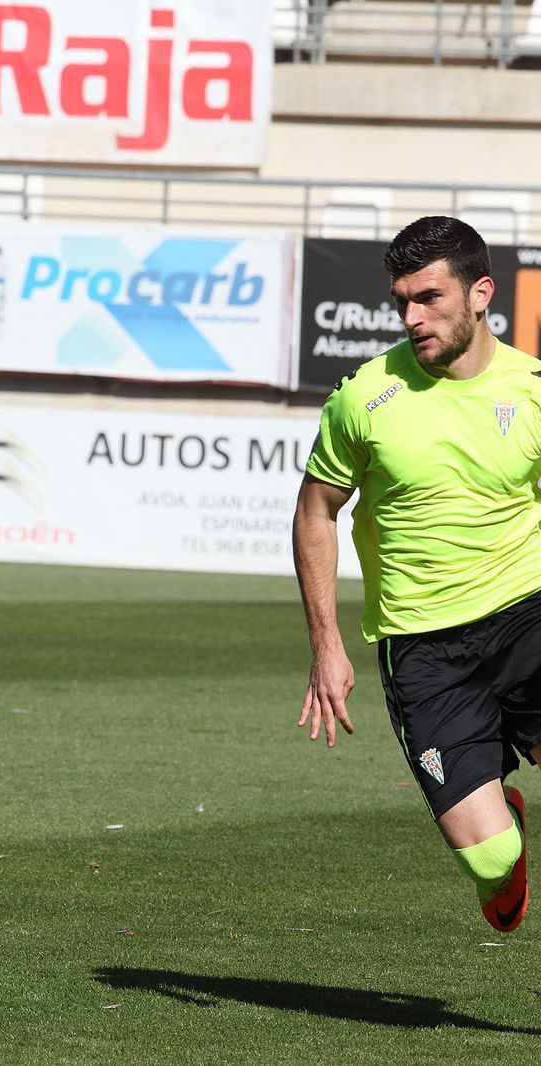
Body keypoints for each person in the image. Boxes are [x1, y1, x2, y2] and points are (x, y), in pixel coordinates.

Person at [296, 215, 541, 935]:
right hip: (425, 649)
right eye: (401, 299)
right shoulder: (362, 399)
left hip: (528, 615)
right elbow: (315, 513)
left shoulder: (533, 391)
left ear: (480, 294)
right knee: (492, 860)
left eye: (429, 297)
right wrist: (326, 645)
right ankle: (503, 836)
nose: (411, 317)